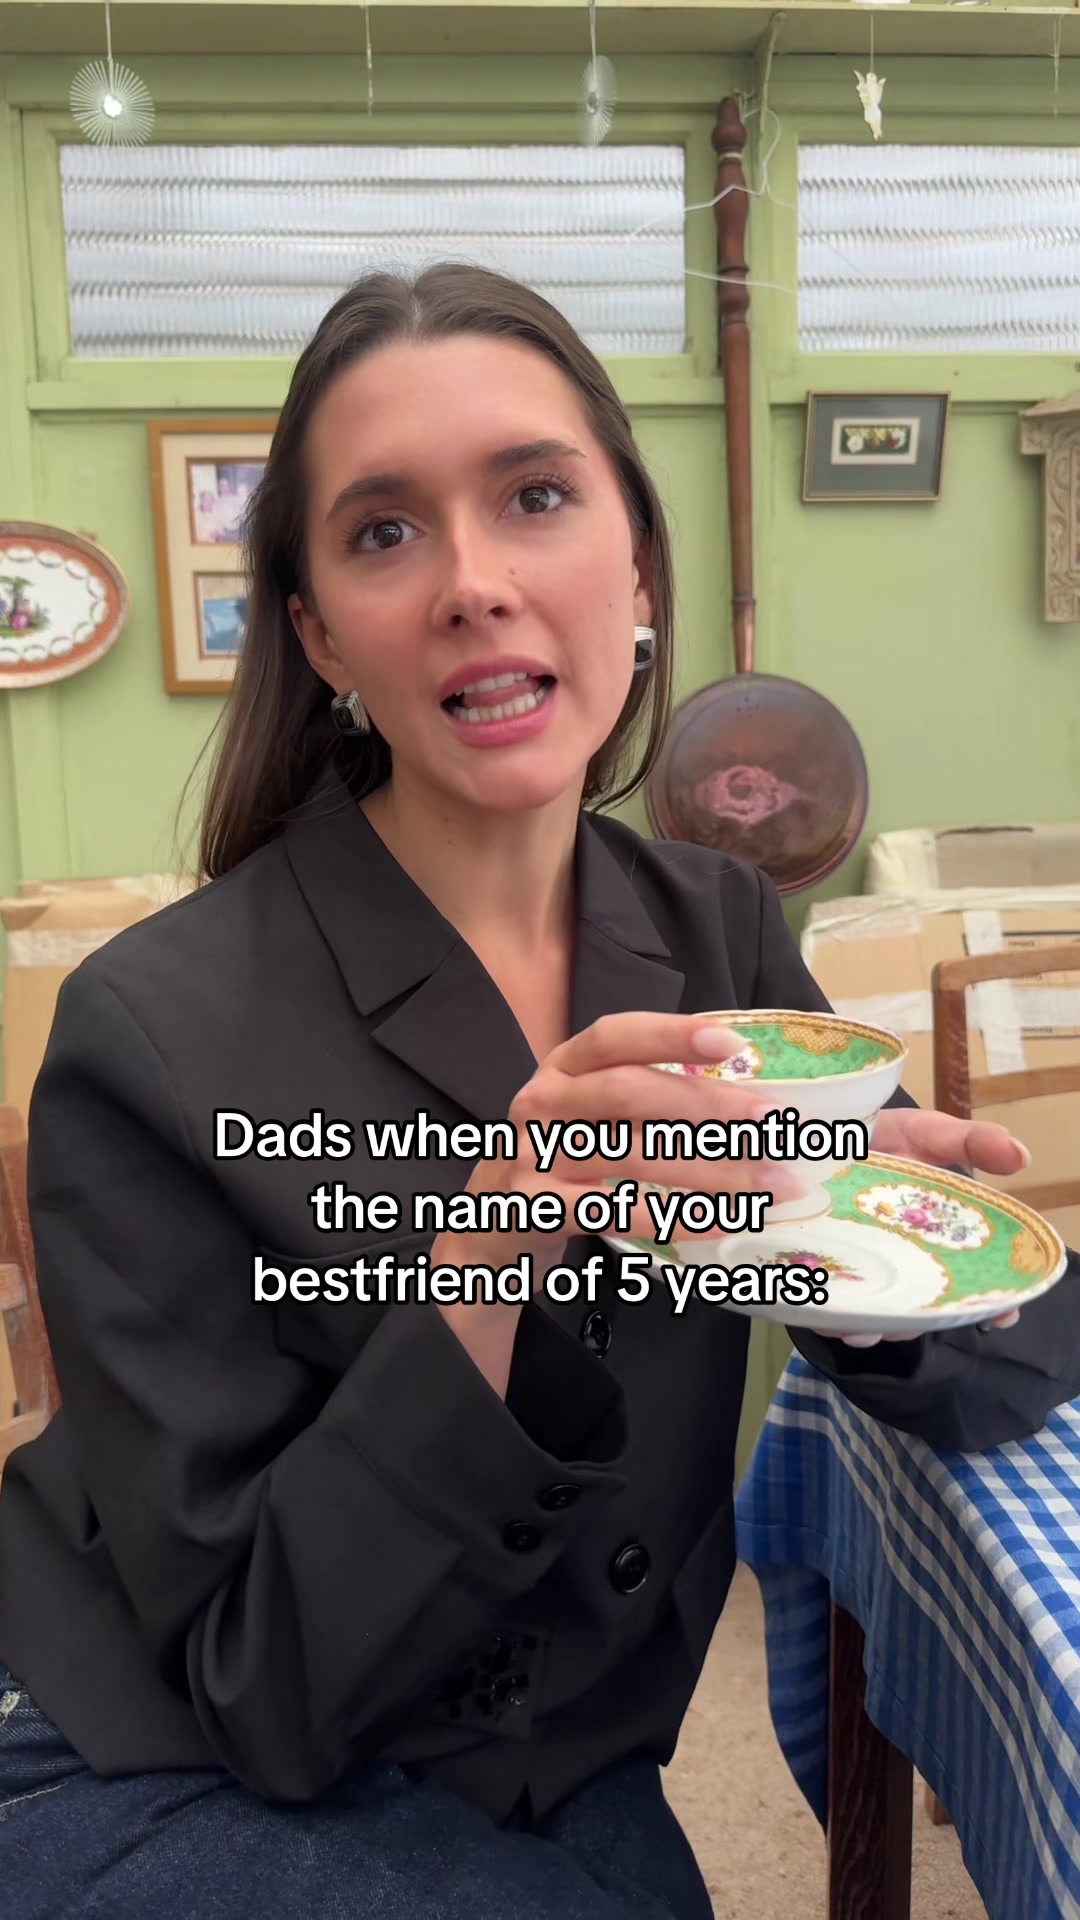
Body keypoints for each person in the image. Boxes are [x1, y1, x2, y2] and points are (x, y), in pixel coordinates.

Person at [0, 263, 1077, 1920]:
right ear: (318, 634)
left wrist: (888, 1266)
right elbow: (257, 1682)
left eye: (536, 496)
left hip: (562, 1759)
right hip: (163, 1752)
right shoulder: (150, 1030)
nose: (475, 584)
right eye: (384, 532)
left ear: (636, 566)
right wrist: (498, 1250)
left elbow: (1011, 1376)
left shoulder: (717, 932)